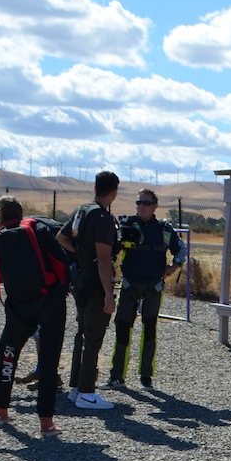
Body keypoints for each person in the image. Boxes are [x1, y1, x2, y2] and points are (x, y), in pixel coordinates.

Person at [0, 196, 69, 438]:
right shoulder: (39, 230)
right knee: (49, 363)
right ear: (21, 214)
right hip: (50, 304)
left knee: (8, 356)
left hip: (19, 308)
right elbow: (62, 256)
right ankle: (46, 424)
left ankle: (1, 411)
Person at [104, 189, 187, 389]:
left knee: (149, 330)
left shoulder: (164, 229)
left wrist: (173, 267)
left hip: (153, 287)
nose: (142, 207)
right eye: (139, 202)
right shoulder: (127, 225)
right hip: (129, 285)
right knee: (122, 328)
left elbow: (180, 250)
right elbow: (112, 250)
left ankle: (146, 377)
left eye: (146, 203)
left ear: (155, 206)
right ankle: (117, 376)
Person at [66, 171, 120, 410]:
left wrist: (80, 254)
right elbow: (104, 259)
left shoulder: (81, 211)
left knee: (82, 334)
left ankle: (76, 387)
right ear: (114, 192)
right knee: (94, 339)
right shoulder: (103, 219)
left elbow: (61, 238)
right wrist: (109, 293)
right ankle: (87, 393)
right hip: (96, 282)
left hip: (81, 277)